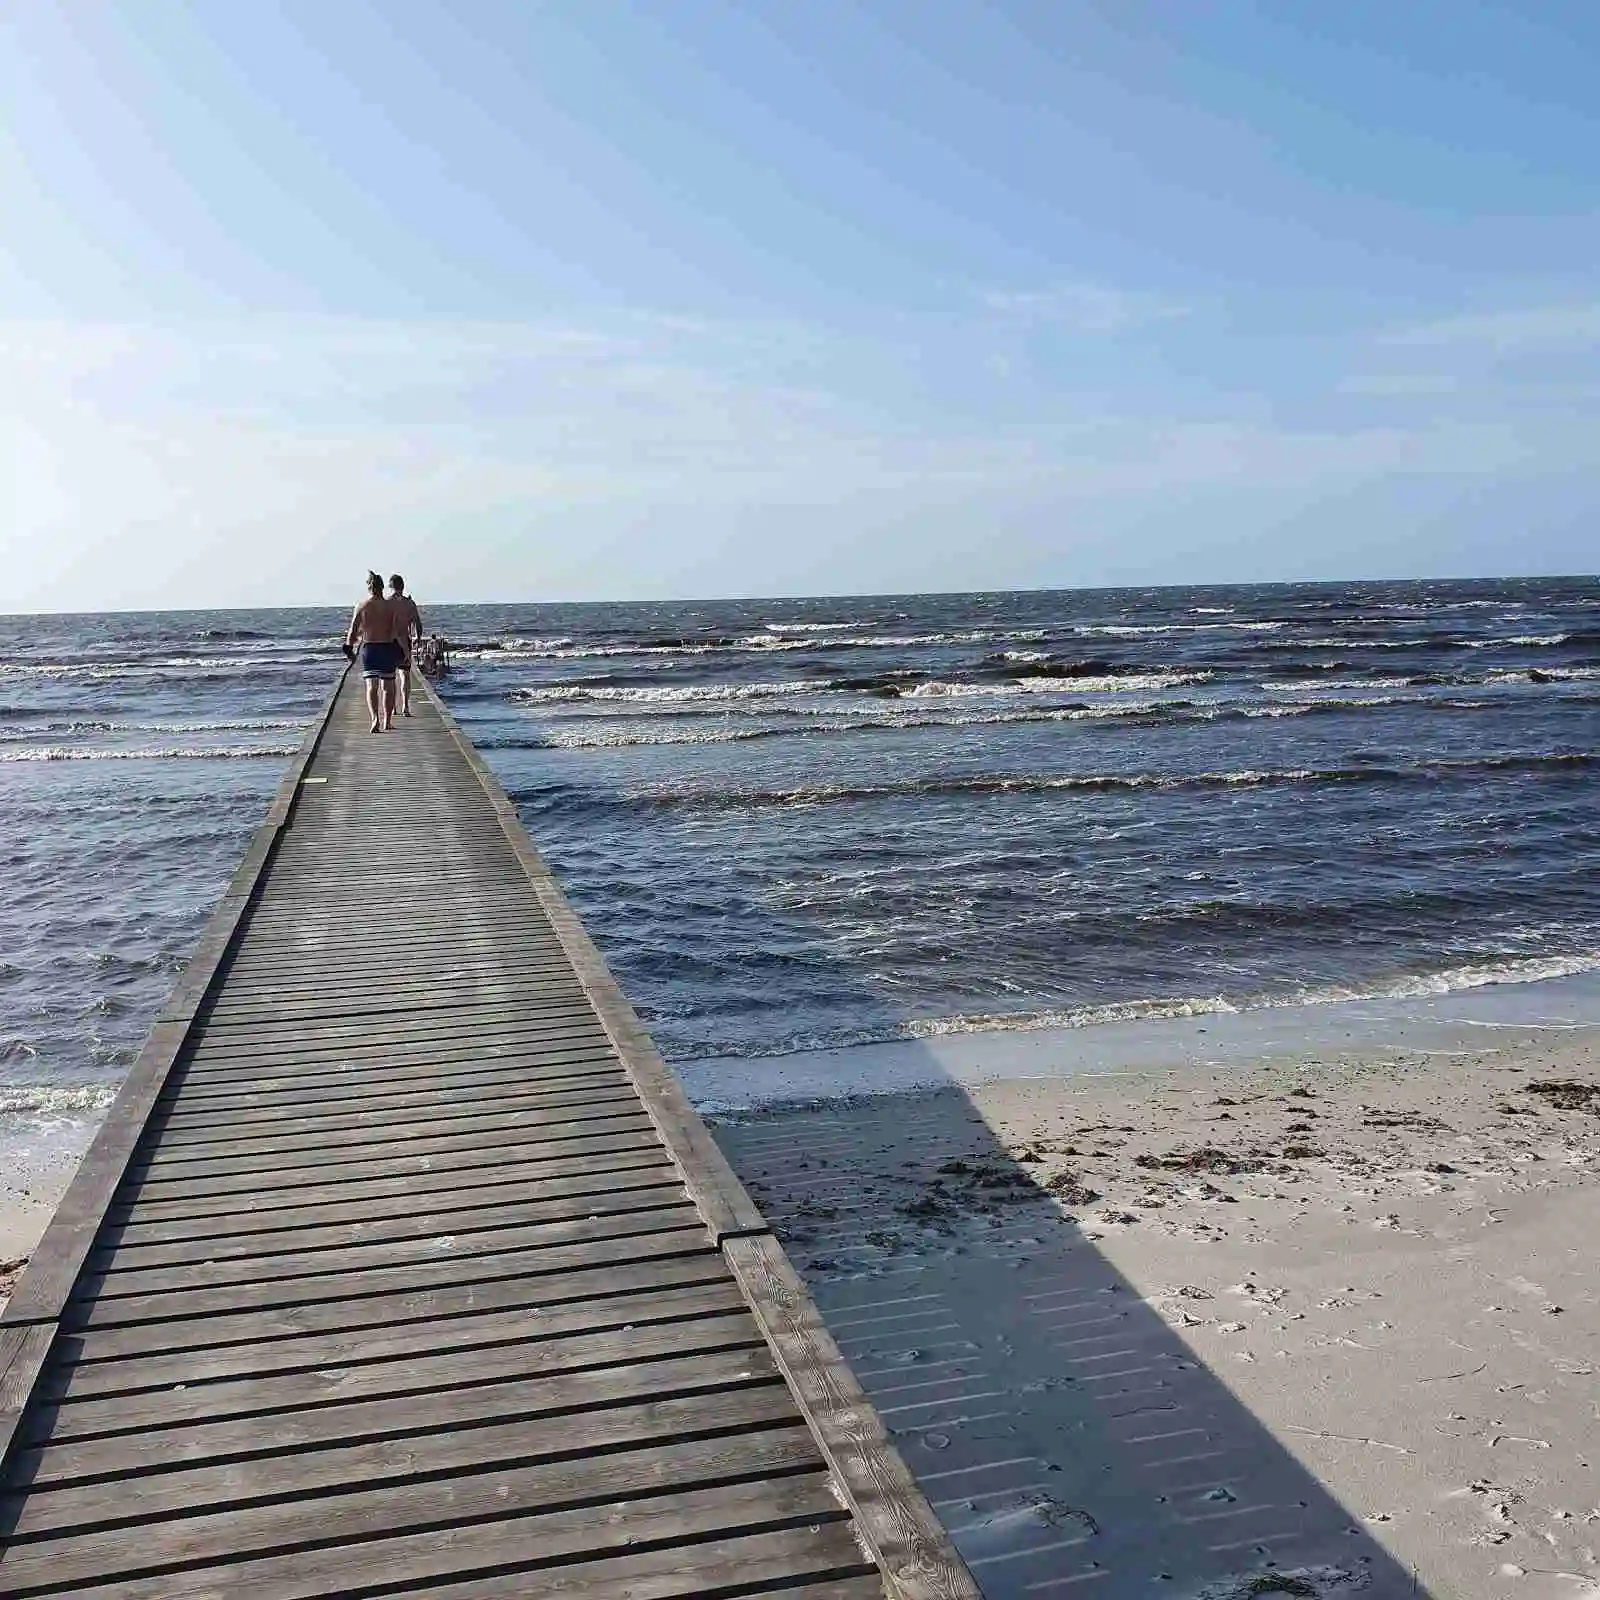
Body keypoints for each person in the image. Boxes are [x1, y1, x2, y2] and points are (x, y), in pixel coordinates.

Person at [345, 571, 405, 732]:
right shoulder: (390, 606)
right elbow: (397, 631)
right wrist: (404, 650)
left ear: (369, 587)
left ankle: (374, 719)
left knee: (371, 686)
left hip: (369, 648)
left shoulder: (362, 606)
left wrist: (349, 649)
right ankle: (387, 721)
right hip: (386, 647)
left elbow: (352, 630)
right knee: (388, 687)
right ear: (382, 587)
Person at [388, 574, 424, 717]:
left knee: (390, 677)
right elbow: (418, 624)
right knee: (405, 675)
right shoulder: (409, 603)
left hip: (390, 642)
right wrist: (417, 638)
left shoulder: (387, 603)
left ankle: (392, 708)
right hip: (405, 640)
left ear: (390, 586)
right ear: (403, 586)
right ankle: (405, 706)